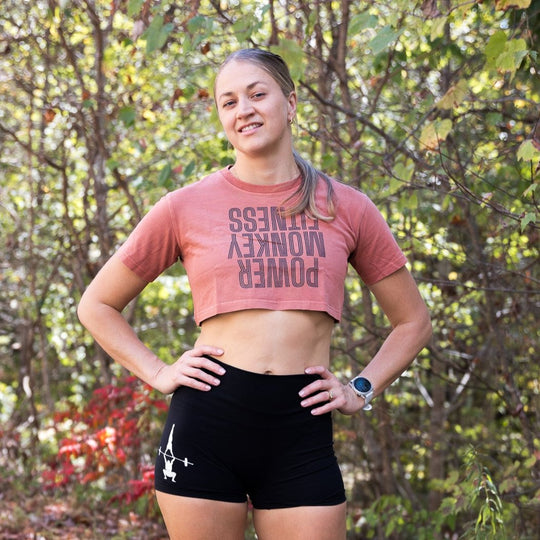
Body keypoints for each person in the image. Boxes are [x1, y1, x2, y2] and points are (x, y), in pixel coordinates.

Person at [77, 48, 432, 540]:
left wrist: (360, 391)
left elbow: (413, 321)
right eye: (228, 102)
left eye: (257, 94)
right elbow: (96, 304)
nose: (243, 109)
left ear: (290, 103)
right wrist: (158, 372)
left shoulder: (348, 207)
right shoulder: (185, 206)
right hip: (206, 425)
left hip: (302, 432)